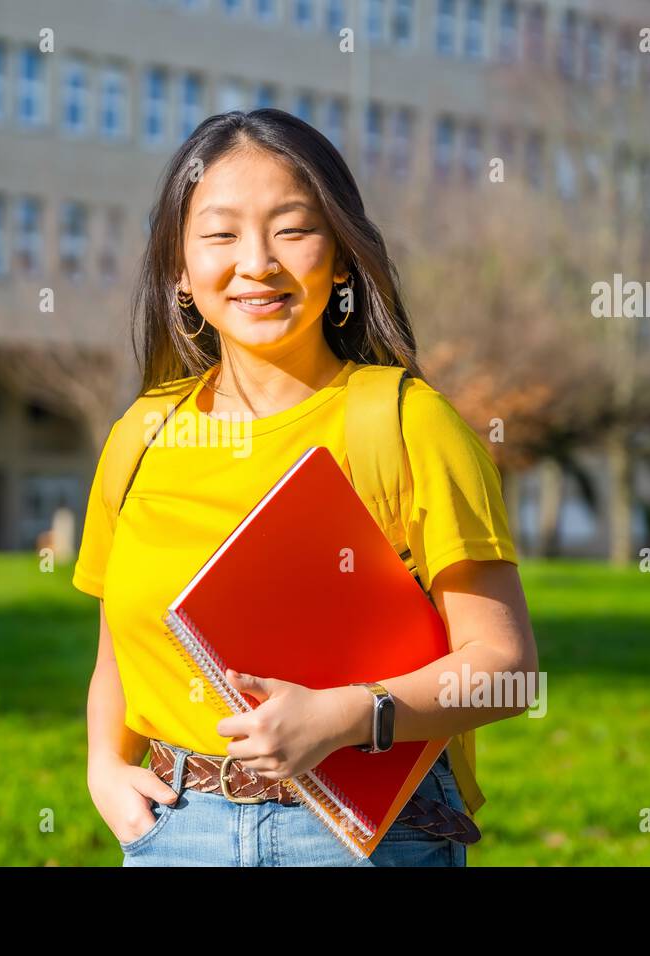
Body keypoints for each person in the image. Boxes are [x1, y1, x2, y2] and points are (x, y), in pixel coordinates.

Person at [74, 109, 538, 866]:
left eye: (292, 229)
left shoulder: (406, 424)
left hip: (369, 840)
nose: (256, 262)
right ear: (180, 272)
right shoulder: (142, 435)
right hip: (175, 831)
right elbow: (117, 648)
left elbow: (505, 674)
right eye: (220, 235)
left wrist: (350, 715)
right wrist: (104, 767)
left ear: (343, 258)